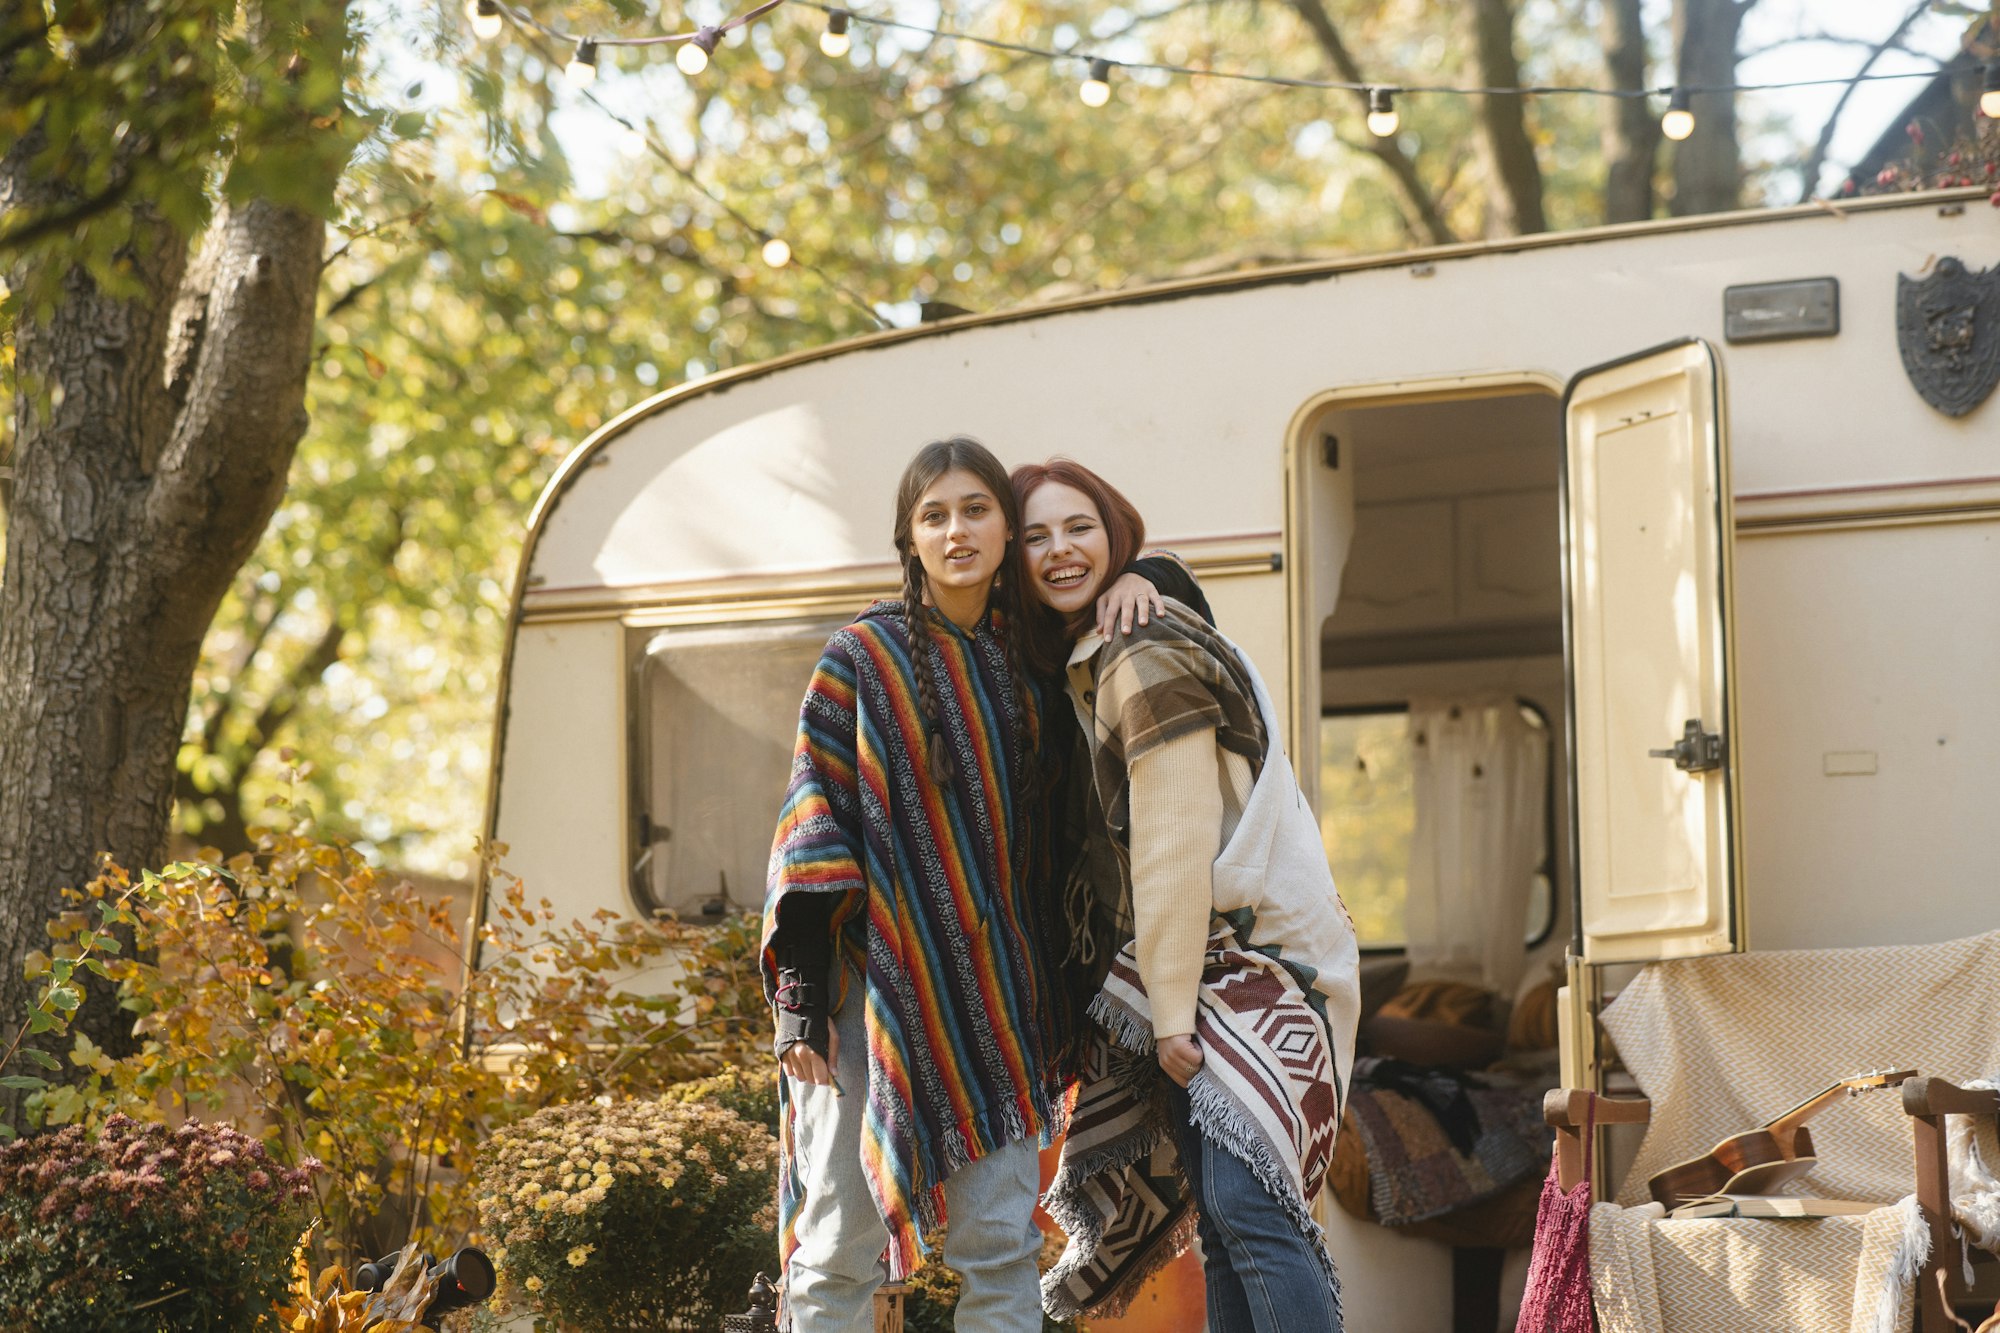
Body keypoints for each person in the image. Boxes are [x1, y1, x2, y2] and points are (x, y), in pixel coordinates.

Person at [761, 437, 1184, 1333]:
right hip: (863, 1001)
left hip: (998, 1007)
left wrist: (1144, 573)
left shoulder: (1034, 657)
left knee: (999, 1250)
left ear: (1004, 529)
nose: (958, 531)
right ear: (909, 537)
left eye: (977, 510)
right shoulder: (859, 660)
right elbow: (811, 831)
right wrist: (798, 1006)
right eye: (935, 515)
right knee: (838, 1247)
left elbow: (1131, 586)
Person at [1013, 458, 1362, 1333]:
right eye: (1036, 536)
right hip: (1210, 967)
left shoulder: (1141, 649)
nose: (1061, 550)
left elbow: (1172, 844)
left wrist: (1169, 1013)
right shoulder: (1090, 656)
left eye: (1080, 528)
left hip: (1257, 968)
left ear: (1116, 532)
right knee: (1227, 1222)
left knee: (1255, 1211)